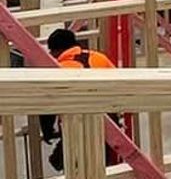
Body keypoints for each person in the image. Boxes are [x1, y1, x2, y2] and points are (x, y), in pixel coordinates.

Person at [38, 29, 118, 171]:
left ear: (57, 50)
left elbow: (48, 104)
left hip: (76, 124)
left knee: (71, 166)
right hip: (109, 122)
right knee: (103, 167)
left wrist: (47, 130)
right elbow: (120, 85)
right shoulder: (99, 57)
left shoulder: (60, 69)